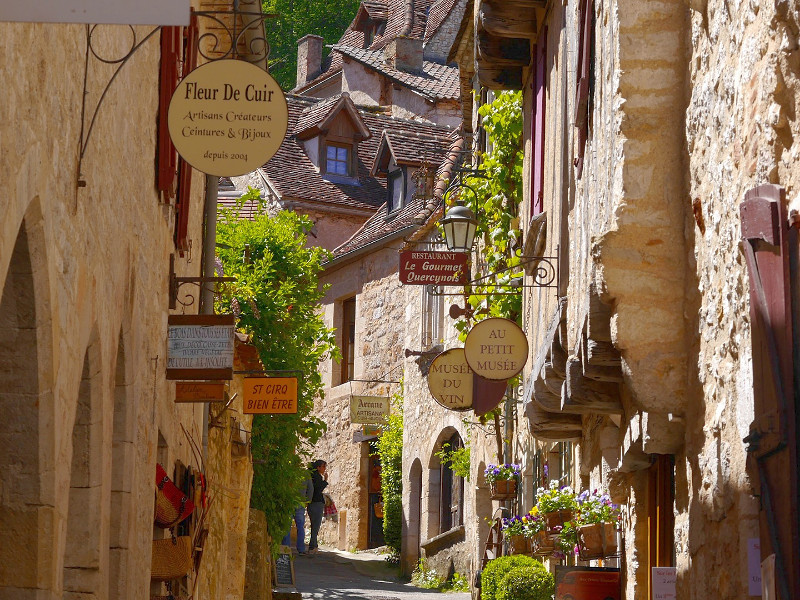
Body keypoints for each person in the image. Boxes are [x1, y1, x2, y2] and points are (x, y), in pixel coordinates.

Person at [282, 474, 313, 554]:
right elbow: (310, 489)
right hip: (300, 502)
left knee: (287, 525)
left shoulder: (288, 473)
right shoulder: (305, 476)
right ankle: (301, 549)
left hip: (289, 502)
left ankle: (286, 548)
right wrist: (307, 501)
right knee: (300, 526)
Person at [307, 459, 328, 554]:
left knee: (314, 525)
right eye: (323, 466)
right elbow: (318, 489)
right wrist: (325, 480)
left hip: (311, 503)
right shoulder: (317, 477)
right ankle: (313, 546)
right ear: (318, 467)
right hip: (317, 503)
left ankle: (314, 545)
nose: (324, 469)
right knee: (316, 525)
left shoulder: (311, 475)